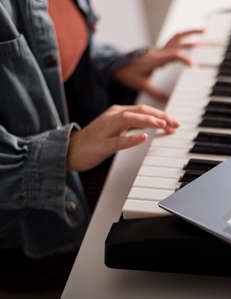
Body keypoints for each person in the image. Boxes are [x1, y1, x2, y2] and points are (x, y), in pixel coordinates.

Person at [0, 0, 201, 287]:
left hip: (86, 172)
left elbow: (52, 51)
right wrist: (65, 151)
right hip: (31, 237)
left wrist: (112, 65)